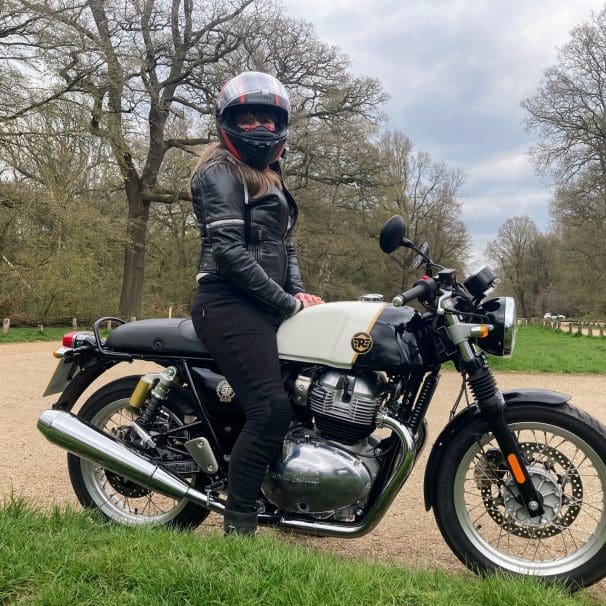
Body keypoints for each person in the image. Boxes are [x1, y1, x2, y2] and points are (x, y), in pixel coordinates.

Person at [190, 71, 323, 535]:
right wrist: (285, 302)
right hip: (226, 301)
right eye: (249, 118)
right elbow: (227, 251)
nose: (261, 128)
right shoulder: (218, 171)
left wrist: (298, 292)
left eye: (269, 119)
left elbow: (286, 247)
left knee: (304, 395)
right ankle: (240, 525)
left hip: (262, 302)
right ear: (228, 122)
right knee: (271, 410)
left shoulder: (271, 176)